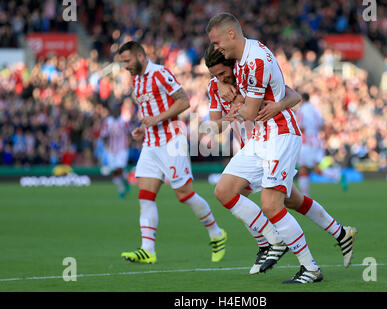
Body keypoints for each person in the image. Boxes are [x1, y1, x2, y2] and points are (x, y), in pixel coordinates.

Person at [205, 44, 358, 276]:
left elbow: (292, 95)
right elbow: (214, 127)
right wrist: (225, 98)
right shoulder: (215, 86)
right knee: (288, 200)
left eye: (222, 73)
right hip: (254, 147)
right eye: (214, 75)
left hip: (276, 139)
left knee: (268, 203)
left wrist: (267, 105)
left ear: (232, 65)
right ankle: (340, 233)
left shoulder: (249, 72)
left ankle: (281, 250)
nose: (219, 77)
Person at [117, 41, 227, 264]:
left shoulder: (160, 73)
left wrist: (156, 119)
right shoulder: (136, 80)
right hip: (151, 143)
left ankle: (216, 233)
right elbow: (148, 110)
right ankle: (148, 250)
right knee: (145, 196)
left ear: (140, 55)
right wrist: (144, 127)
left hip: (172, 141)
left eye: (127, 60)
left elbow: (183, 101)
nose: (125, 66)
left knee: (184, 194)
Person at [100, 104, 131, 199]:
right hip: (111, 150)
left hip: (122, 149)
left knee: (119, 168)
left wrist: (129, 141)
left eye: (117, 111)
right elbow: (103, 135)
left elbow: (130, 132)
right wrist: (106, 145)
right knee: (114, 171)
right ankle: (122, 190)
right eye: (113, 111)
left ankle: (125, 181)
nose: (115, 113)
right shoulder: (107, 122)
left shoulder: (124, 122)